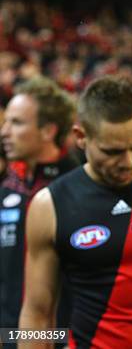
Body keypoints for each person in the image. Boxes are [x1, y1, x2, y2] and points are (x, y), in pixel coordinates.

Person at [19, 77, 132, 348]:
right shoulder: (49, 205)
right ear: (81, 137)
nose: (128, 162)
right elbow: (37, 314)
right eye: (112, 151)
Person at [0, 78, 78, 329]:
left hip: (62, 337)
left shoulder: (78, 186)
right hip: (9, 334)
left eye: (17, 123)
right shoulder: (7, 187)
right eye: (6, 122)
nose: (4, 132)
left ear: (48, 131)